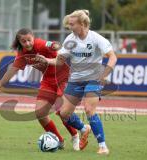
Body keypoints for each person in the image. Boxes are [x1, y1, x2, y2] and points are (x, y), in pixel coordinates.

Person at [42, 10, 117, 155]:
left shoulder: (96, 38)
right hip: (75, 80)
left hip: (94, 78)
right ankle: (84, 129)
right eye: (68, 24)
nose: (69, 27)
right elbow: (59, 61)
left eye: (72, 24)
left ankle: (102, 146)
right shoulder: (70, 40)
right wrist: (45, 60)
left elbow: (112, 57)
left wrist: (104, 74)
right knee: (63, 114)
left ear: (82, 24)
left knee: (89, 109)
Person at [0, 28, 81, 151]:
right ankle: (59, 140)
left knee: (62, 111)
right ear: (20, 42)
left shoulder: (40, 44)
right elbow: (13, 69)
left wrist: (55, 46)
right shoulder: (23, 54)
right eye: (24, 41)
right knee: (40, 113)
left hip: (63, 76)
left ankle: (75, 135)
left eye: (29, 40)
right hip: (48, 80)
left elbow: (55, 45)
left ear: (33, 37)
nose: (27, 43)